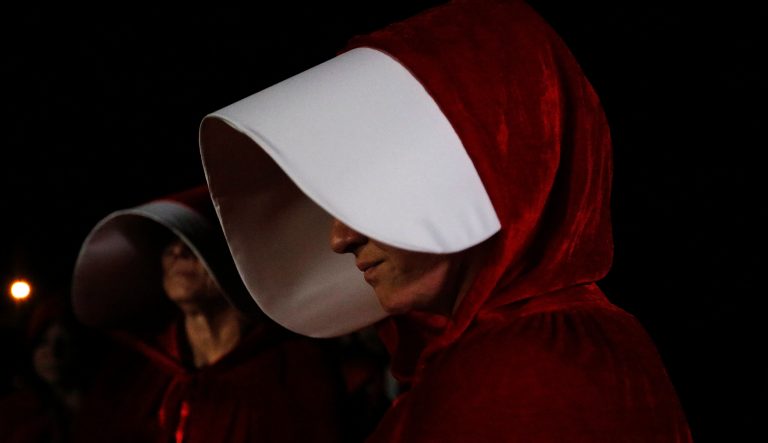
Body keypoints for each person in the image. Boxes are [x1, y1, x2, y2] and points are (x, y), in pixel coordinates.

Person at [196, 0, 694, 441]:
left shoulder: (524, 370)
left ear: (486, 169)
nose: (339, 238)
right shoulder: (564, 342)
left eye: (368, 194)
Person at [70, 185, 346, 443]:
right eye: (169, 244)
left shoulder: (294, 365)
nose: (177, 252)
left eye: (191, 241)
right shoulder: (134, 371)